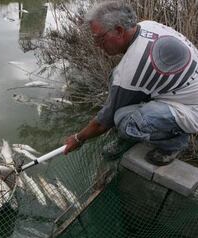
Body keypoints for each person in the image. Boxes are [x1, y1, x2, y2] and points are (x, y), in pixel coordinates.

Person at [64, 1, 198, 166]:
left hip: (191, 109)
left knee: (123, 120)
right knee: (117, 81)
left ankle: (174, 142)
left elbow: (103, 122)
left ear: (119, 31)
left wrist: (78, 138)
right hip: (183, 92)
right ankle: (146, 129)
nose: (96, 45)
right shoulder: (146, 25)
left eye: (99, 38)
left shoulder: (134, 66)